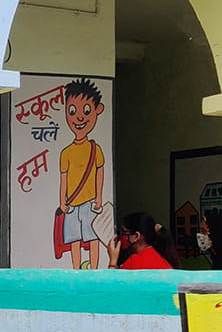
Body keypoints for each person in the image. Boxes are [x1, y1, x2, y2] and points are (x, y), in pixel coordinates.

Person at [58, 78, 106, 270]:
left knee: (92, 236)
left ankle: (93, 270)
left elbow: (99, 174)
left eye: (86, 111)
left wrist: (99, 199)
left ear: (98, 110)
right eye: (72, 111)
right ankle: (76, 271)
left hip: (89, 203)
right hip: (72, 203)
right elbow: (63, 179)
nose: (79, 118)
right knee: (74, 239)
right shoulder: (66, 153)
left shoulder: (95, 149)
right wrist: (62, 201)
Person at [106, 212, 173, 270]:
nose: (120, 236)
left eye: (123, 231)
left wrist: (113, 262)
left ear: (136, 236)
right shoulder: (162, 259)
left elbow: (110, 284)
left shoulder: (134, 262)